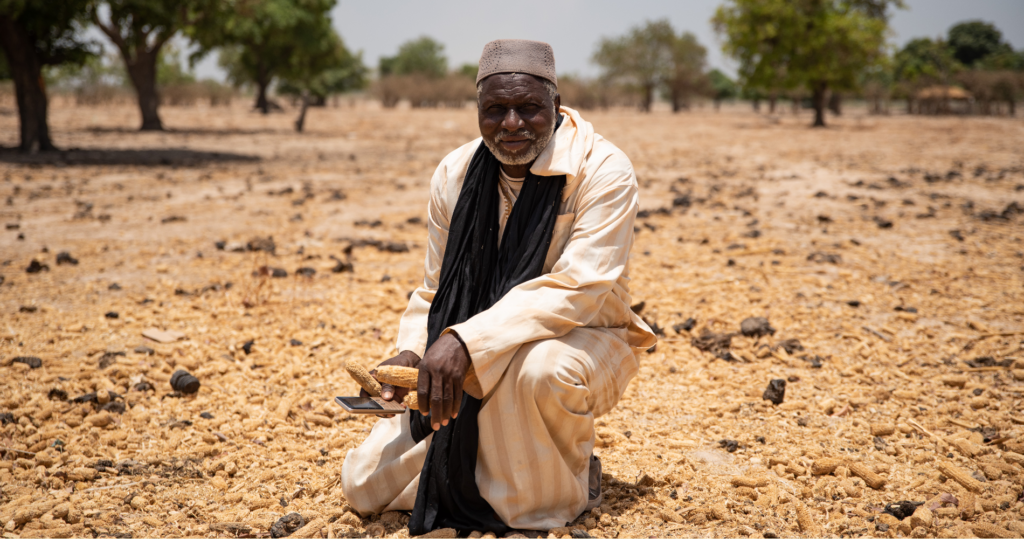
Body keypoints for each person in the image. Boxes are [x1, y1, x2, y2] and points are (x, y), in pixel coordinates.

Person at [341, 39, 656, 534]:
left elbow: (579, 288)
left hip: (585, 338)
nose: (512, 124)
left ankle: (572, 484)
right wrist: (411, 351)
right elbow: (434, 289)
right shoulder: (455, 173)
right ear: (478, 111)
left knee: (536, 375)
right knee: (364, 486)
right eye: (496, 110)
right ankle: (499, 463)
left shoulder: (602, 170)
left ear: (556, 102)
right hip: (474, 345)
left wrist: (465, 342)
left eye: (528, 108)